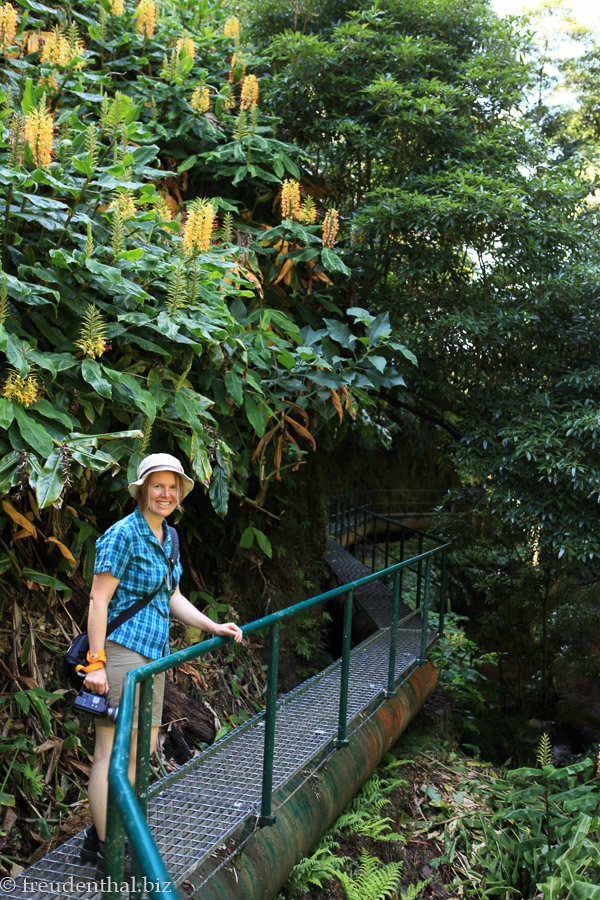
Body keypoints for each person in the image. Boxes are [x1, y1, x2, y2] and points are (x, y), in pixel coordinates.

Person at [78, 453, 243, 869]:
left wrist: (212, 625)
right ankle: (108, 848)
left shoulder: (169, 537)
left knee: (143, 748)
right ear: (143, 491)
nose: (165, 494)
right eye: (158, 486)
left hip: (153, 659)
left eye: (173, 487)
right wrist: (96, 662)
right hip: (120, 653)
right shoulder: (123, 534)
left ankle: (102, 831)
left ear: (180, 493)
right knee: (112, 753)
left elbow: (172, 596)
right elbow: (98, 600)